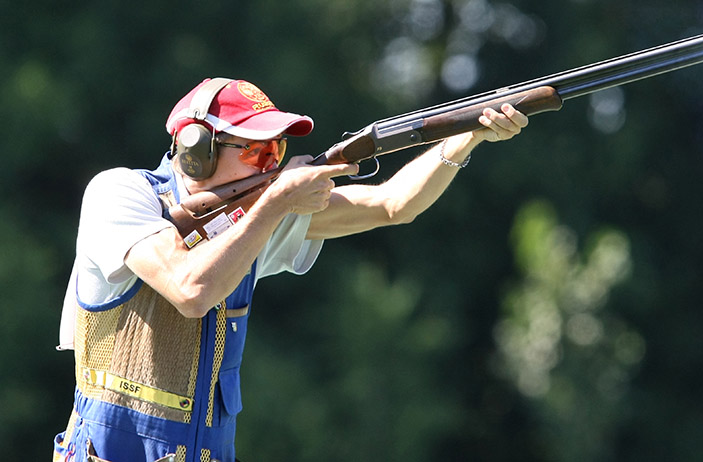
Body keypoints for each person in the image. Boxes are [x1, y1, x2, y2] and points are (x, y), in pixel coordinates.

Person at [52, 77, 528, 462]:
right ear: (197, 150)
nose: (271, 166)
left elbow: (393, 205)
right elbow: (190, 288)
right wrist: (277, 201)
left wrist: (466, 136)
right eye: (256, 152)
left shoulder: (254, 217)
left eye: (276, 153)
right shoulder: (120, 194)